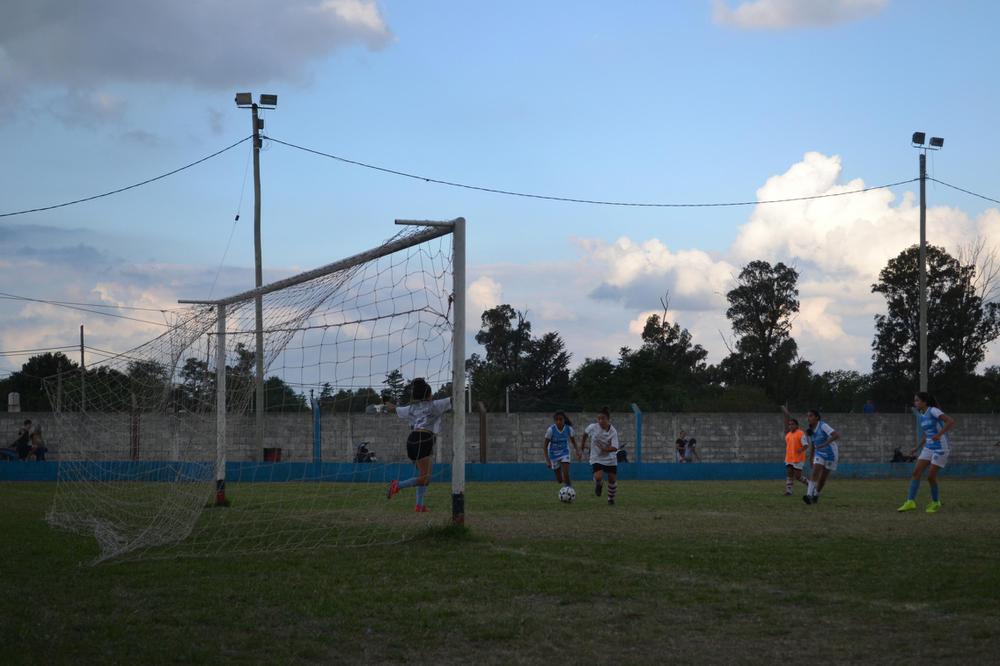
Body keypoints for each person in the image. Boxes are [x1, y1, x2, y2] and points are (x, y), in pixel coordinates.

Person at [385, 379, 452, 513]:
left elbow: (393, 408)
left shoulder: (412, 408)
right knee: (425, 479)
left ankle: (419, 505)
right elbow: (455, 399)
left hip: (412, 439)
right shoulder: (436, 404)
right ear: (429, 394)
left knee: (423, 476)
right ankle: (397, 485)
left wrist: (384, 400)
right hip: (424, 439)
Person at [898, 392, 955, 514]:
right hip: (928, 447)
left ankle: (935, 502)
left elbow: (950, 421)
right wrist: (917, 447)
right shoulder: (922, 415)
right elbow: (927, 434)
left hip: (941, 447)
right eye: (915, 400)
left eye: (917, 400)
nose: (915, 403)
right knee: (916, 472)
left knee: (930, 477)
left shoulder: (934, 410)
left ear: (925, 402)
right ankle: (910, 502)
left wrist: (939, 435)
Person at [581, 407, 620, 506]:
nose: (600, 421)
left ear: (608, 419)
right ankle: (599, 484)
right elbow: (585, 434)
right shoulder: (593, 427)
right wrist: (582, 446)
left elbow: (615, 447)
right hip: (596, 457)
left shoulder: (613, 431)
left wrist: (605, 449)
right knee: (598, 477)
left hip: (610, 458)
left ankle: (611, 499)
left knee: (612, 479)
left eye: (603, 418)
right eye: (599, 419)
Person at [803, 410, 839, 505]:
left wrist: (825, 444)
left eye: (811, 416)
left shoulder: (823, 426)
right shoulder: (809, 431)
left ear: (817, 417)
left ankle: (816, 494)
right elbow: (813, 444)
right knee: (815, 471)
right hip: (819, 453)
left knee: (823, 478)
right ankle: (809, 495)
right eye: (808, 416)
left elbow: (836, 435)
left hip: (831, 454)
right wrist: (811, 457)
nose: (808, 418)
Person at [543, 411, 580, 488]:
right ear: (554, 421)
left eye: (560, 419)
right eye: (556, 420)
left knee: (566, 473)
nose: (558, 421)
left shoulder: (568, 429)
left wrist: (577, 451)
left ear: (564, 420)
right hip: (553, 454)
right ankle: (565, 483)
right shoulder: (551, 430)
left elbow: (573, 442)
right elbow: (545, 446)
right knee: (559, 480)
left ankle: (569, 489)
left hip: (564, 452)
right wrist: (547, 460)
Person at [783, 418, 809, 495]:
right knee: (789, 474)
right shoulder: (788, 435)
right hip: (789, 458)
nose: (791, 426)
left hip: (798, 458)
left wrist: (801, 450)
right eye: (789, 424)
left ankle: (811, 486)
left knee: (798, 476)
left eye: (792, 424)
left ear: (797, 425)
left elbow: (806, 445)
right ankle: (789, 491)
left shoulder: (800, 433)